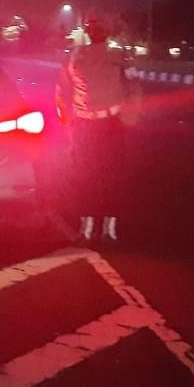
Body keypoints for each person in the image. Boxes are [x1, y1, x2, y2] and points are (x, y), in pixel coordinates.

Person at [55, 18, 132, 243]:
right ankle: (107, 228)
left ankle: (89, 227)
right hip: (108, 124)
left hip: (85, 125)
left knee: (85, 176)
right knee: (110, 175)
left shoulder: (75, 57)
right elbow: (132, 87)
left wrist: (66, 121)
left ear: (88, 34)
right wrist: (128, 116)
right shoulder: (118, 56)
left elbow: (61, 93)